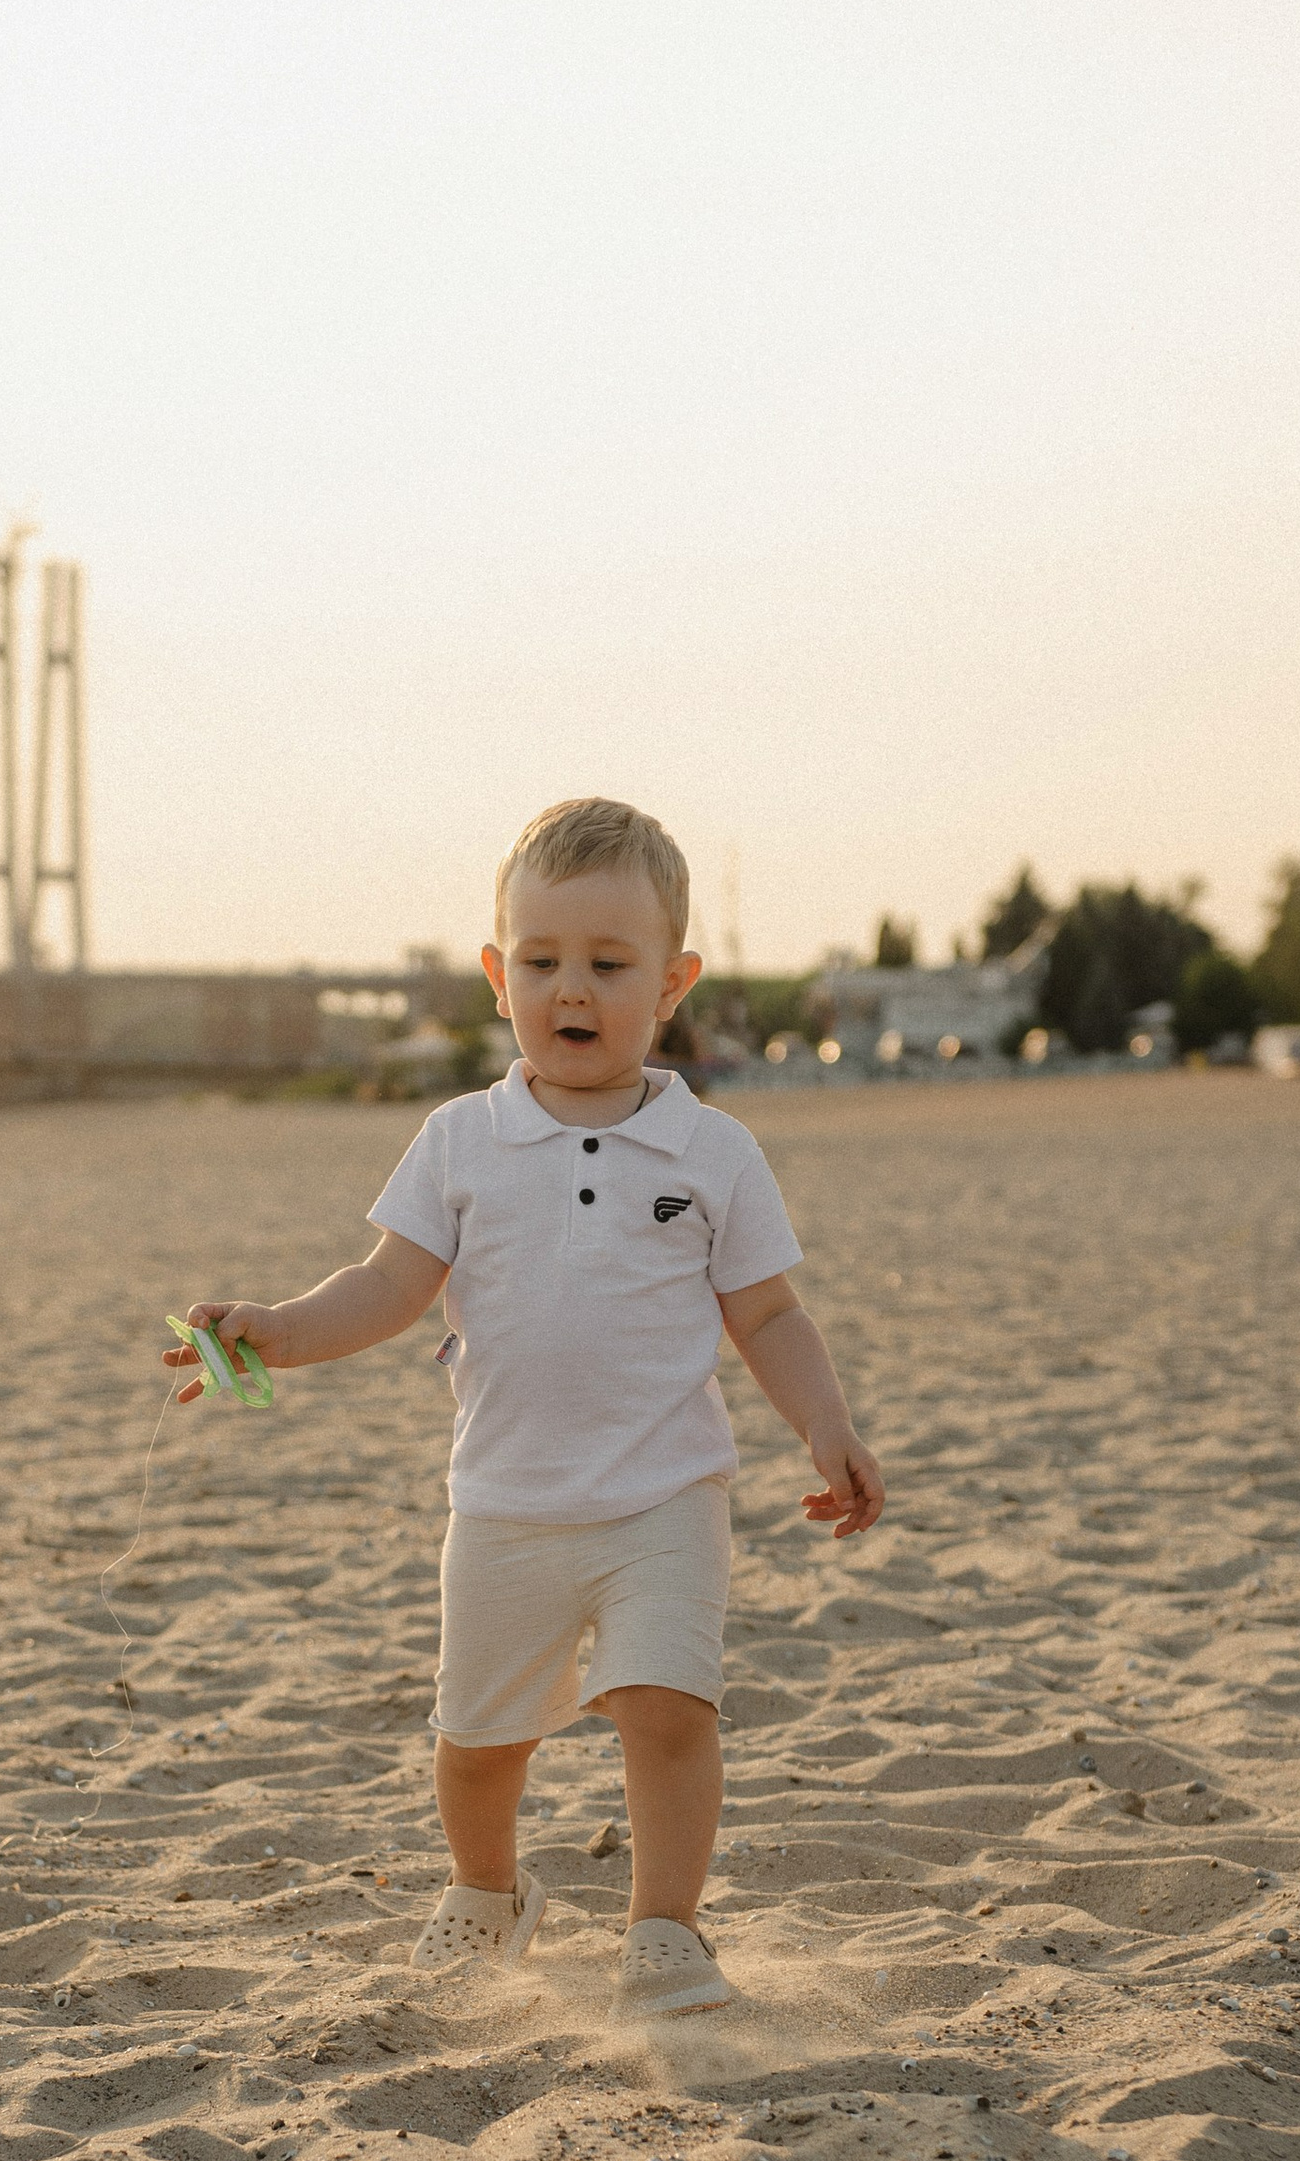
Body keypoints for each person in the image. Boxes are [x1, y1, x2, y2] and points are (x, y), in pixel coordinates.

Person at [168, 796, 883, 2017]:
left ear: (671, 984)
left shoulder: (714, 1152)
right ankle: (488, 1892)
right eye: (542, 961)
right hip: (503, 1504)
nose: (573, 989)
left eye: (609, 963)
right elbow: (389, 1284)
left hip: (665, 1496)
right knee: (478, 1742)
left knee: (667, 1708)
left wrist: (825, 1425)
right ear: (498, 976)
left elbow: (766, 1316)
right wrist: (279, 1329)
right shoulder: (460, 1141)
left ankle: (664, 1931)